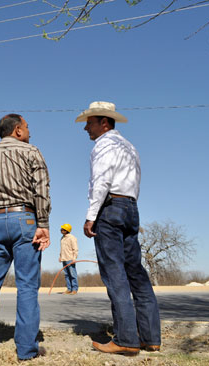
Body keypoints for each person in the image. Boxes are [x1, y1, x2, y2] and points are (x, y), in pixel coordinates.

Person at [76, 101, 161, 356]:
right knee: (136, 273)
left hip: (110, 207)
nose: (86, 129)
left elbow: (101, 181)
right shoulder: (129, 146)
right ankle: (150, 337)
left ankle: (126, 339)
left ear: (104, 122)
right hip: (130, 207)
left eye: (89, 123)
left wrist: (91, 216)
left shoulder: (104, 145)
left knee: (115, 273)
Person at [0, 113, 51, 360]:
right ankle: (26, 350)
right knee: (26, 286)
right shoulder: (31, 151)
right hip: (24, 220)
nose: (29, 132)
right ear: (17, 130)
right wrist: (43, 223)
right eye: (27, 127)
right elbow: (42, 190)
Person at [59, 223, 78, 295]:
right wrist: (60, 256)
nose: (61, 230)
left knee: (73, 274)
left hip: (70, 258)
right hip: (64, 259)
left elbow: (75, 249)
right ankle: (69, 289)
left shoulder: (72, 238)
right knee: (66, 275)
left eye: (63, 229)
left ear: (67, 230)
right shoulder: (62, 238)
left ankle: (74, 289)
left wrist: (74, 258)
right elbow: (62, 249)